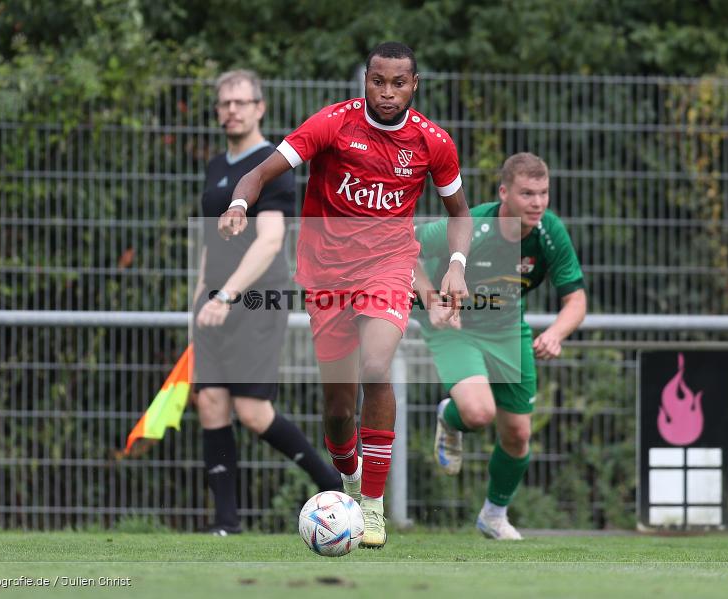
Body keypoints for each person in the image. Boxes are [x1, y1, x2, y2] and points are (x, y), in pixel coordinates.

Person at [217, 42, 473, 548]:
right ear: (366, 81)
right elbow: (263, 170)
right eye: (378, 81)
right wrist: (239, 202)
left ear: (414, 86)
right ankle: (350, 478)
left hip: (389, 265)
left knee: (376, 368)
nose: (386, 92)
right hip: (326, 274)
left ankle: (373, 508)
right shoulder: (333, 124)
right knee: (337, 411)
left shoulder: (432, 143)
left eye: (398, 83)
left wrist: (457, 267)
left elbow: (459, 213)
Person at [193, 69, 341, 536]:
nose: (232, 110)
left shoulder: (271, 165)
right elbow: (207, 244)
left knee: (253, 412)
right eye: (225, 103)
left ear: (260, 107)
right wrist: (198, 297)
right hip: (213, 302)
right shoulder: (217, 167)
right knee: (210, 402)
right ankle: (225, 527)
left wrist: (227, 294)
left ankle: (335, 487)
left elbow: (270, 240)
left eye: (241, 102)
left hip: (255, 298)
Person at [413, 152, 587, 540]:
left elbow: (575, 299)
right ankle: (452, 416)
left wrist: (556, 333)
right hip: (454, 326)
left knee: (518, 436)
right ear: (504, 192)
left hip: (508, 330)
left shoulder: (549, 233)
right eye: (528, 193)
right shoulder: (472, 226)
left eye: (543, 193)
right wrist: (431, 298)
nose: (538, 203)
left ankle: (493, 515)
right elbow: (404, 247)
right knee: (478, 413)